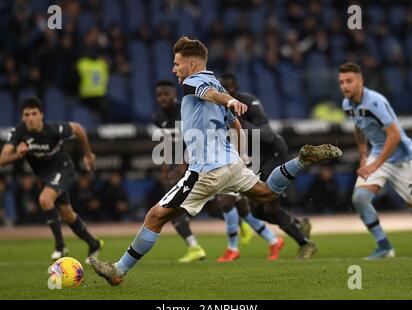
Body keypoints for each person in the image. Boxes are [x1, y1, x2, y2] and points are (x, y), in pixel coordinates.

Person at [90, 36, 342, 286]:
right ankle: (301, 159)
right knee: (265, 193)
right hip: (231, 164)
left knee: (155, 216)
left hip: (206, 171)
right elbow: (234, 123)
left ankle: (118, 270)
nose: (173, 69)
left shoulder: (196, 82)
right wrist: (242, 154)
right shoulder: (217, 82)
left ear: (190, 65)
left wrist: (229, 100)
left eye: (176, 64)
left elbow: (208, 95)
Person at [216, 73, 316, 261]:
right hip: (254, 159)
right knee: (257, 211)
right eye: (222, 89)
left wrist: (241, 124)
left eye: (229, 88)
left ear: (236, 89)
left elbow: (268, 135)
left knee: (268, 206)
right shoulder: (218, 109)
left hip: (273, 154)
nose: (226, 93)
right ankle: (297, 222)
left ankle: (306, 244)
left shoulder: (248, 103)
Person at [0, 97, 103, 263]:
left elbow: (78, 129)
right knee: (68, 215)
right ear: (22, 117)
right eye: (27, 114)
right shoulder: (19, 132)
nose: (31, 118)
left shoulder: (53, 129)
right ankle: (94, 243)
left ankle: (60, 246)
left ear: (41, 114)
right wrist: (17, 154)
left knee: (45, 200)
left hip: (63, 168)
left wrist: (88, 154)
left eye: (34, 113)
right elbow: (3, 159)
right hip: (46, 177)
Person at [339, 62, 412, 260]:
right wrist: (363, 156)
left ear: (360, 81)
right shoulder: (347, 104)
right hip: (378, 157)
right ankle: (384, 246)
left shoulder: (374, 102)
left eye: (349, 81)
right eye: (341, 82)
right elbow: (359, 126)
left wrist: (374, 164)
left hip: (403, 158)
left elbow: (395, 135)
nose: (344, 86)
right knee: (360, 199)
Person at [152, 79, 207, 263]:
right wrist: (165, 165)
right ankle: (194, 247)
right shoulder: (158, 118)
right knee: (170, 205)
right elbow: (169, 142)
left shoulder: (185, 112)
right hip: (180, 160)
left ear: (174, 94)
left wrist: (184, 164)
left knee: (170, 206)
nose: (162, 98)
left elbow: (194, 138)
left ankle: (241, 219)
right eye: (159, 95)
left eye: (166, 94)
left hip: (200, 157)